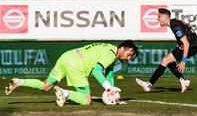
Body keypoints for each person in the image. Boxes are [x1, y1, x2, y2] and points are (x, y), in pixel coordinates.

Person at [5, 40, 138, 106]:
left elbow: (108, 73)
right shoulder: (110, 54)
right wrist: (108, 88)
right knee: (86, 100)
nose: (129, 57)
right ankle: (64, 93)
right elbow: (97, 71)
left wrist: (114, 93)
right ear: (121, 48)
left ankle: (19, 81)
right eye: (129, 54)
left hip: (66, 57)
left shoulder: (110, 49)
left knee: (46, 86)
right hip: (77, 65)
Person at [136, 8, 197, 93]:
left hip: (191, 46)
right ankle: (183, 81)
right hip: (191, 45)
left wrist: (183, 61)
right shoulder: (175, 22)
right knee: (169, 62)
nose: (157, 19)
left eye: (158, 17)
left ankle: (148, 85)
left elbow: (186, 43)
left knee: (165, 60)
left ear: (164, 17)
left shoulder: (175, 26)